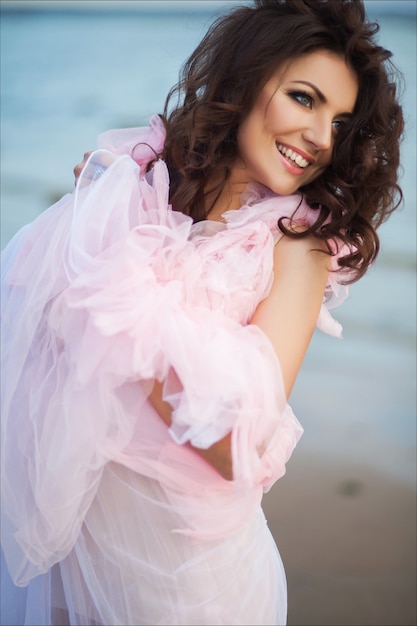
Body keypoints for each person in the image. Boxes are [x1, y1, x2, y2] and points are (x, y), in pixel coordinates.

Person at [0, 1, 404, 624]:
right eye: (304, 99)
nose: (323, 138)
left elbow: (234, 445)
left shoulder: (297, 248)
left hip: (186, 587)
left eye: (341, 122)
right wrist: (88, 222)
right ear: (246, 80)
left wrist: (118, 302)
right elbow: (33, 330)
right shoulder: (139, 185)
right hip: (76, 552)